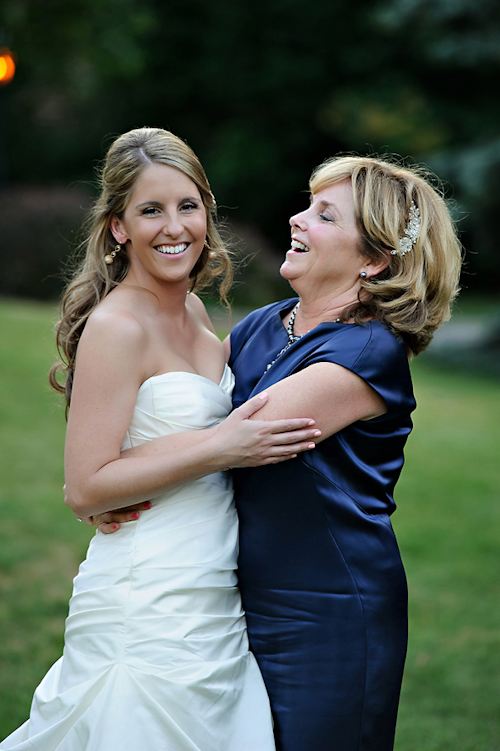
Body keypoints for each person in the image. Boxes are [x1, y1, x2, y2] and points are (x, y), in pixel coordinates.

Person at [99, 155, 462, 751]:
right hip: (233, 594)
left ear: (373, 260)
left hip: (327, 609)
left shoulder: (367, 352)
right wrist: (111, 481)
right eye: (308, 204)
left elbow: (232, 437)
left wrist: (114, 477)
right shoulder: (266, 323)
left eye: (324, 215)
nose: (297, 219)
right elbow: (185, 404)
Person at [0, 127, 321, 751]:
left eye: (187, 206)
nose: (174, 227)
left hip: (213, 593)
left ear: (207, 212)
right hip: (146, 597)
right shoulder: (117, 326)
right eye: (150, 210)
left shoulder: (197, 314)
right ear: (118, 226)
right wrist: (222, 448)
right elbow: (86, 486)